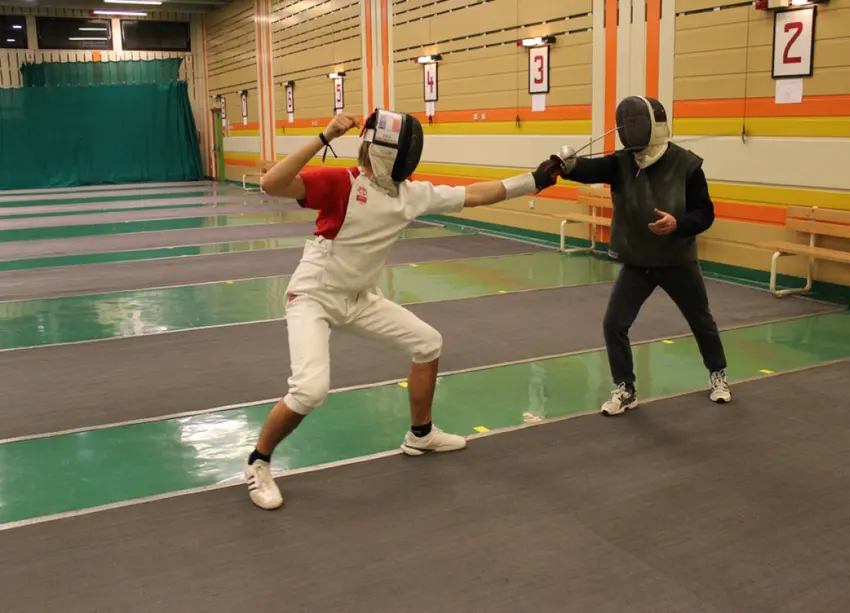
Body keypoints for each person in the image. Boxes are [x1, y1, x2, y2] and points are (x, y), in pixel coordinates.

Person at [245, 109, 559, 510]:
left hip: (360, 298)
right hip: (313, 297)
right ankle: (258, 462)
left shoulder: (410, 194)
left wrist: (534, 180)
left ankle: (420, 435)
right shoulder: (343, 183)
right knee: (309, 390)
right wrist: (324, 136)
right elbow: (272, 183)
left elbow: (477, 194)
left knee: (428, 342)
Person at [543, 95, 732, 416]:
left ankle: (719, 375)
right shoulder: (622, 162)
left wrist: (677, 223)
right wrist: (563, 166)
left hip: (677, 261)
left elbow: (705, 213)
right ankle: (625, 388)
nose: (628, 129)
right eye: (626, 123)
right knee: (614, 323)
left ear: (654, 125)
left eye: (635, 122)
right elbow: (588, 169)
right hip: (637, 262)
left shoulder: (687, 165)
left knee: (701, 320)